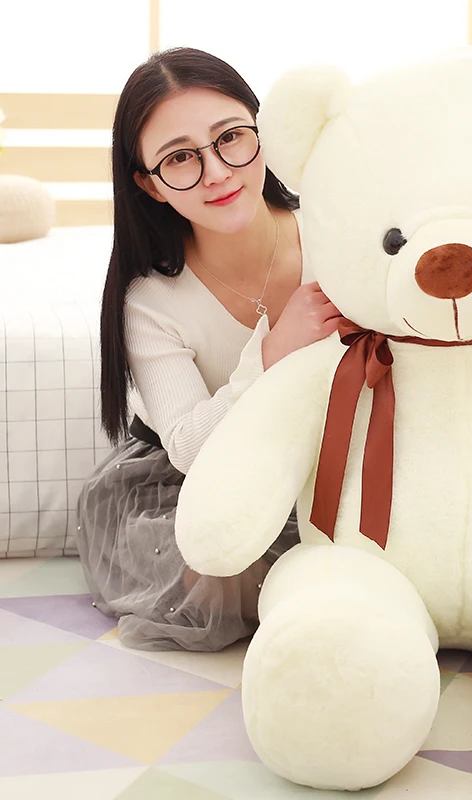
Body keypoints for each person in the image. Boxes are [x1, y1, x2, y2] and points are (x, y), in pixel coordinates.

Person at [75, 47, 341, 652]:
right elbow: (192, 449)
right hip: (198, 473)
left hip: (327, 458)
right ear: (149, 185)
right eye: (180, 158)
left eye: (231, 138)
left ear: (263, 133)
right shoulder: (150, 299)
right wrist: (271, 355)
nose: (217, 172)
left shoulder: (336, 233)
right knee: (218, 570)